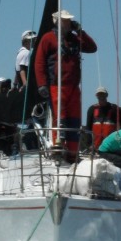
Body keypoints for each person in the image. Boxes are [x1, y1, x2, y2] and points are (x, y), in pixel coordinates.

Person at [34, 9, 97, 162]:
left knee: (74, 120)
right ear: (58, 21)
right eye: (66, 20)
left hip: (74, 87)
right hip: (56, 86)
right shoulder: (48, 38)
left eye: (69, 20)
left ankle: (72, 154)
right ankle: (58, 149)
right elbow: (39, 62)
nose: (69, 23)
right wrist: (42, 84)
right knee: (60, 118)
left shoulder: (75, 39)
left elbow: (92, 47)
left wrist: (80, 31)